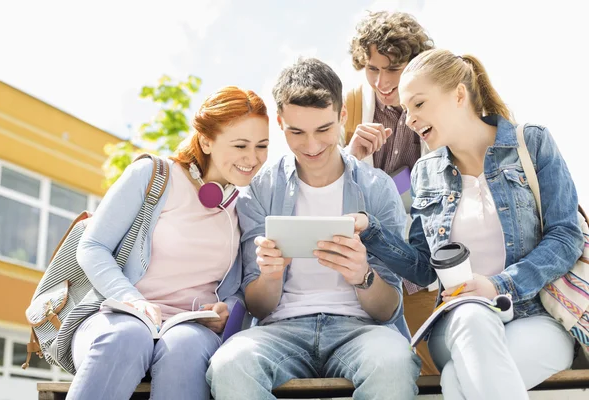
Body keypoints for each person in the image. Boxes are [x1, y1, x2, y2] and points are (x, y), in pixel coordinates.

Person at [354, 48, 583, 399]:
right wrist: (370, 231)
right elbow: (423, 269)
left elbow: (565, 236)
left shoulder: (532, 142)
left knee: (458, 383)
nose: (408, 120)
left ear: (459, 95)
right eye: (405, 110)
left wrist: (499, 285)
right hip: (457, 323)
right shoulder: (425, 173)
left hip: (536, 317)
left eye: (418, 104)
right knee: (472, 315)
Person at [206, 58, 421, 400]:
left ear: (342, 118)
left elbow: (389, 308)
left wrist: (362, 276)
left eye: (323, 130)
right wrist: (271, 276)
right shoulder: (261, 189)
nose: (311, 146)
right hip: (281, 330)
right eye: (296, 132)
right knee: (230, 365)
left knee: (394, 364)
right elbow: (258, 306)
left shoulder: (377, 188)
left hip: (362, 331)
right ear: (280, 123)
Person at [67, 86, 270, 400]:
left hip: (190, 331)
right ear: (206, 140)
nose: (253, 158)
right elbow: (92, 247)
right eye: (240, 145)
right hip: (120, 319)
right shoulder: (152, 176)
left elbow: (239, 290)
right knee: (128, 336)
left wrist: (225, 310)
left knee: (185, 347)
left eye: (262, 146)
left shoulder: (242, 208)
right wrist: (132, 301)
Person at [343, 10, 438, 375]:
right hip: (363, 265)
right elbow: (318, 181)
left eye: (392, 70)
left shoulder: (434, 105)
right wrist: (352, 156)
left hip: (417, 262)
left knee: (429, 368)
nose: (382, 82)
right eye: (371, 68)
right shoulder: (349, 104)